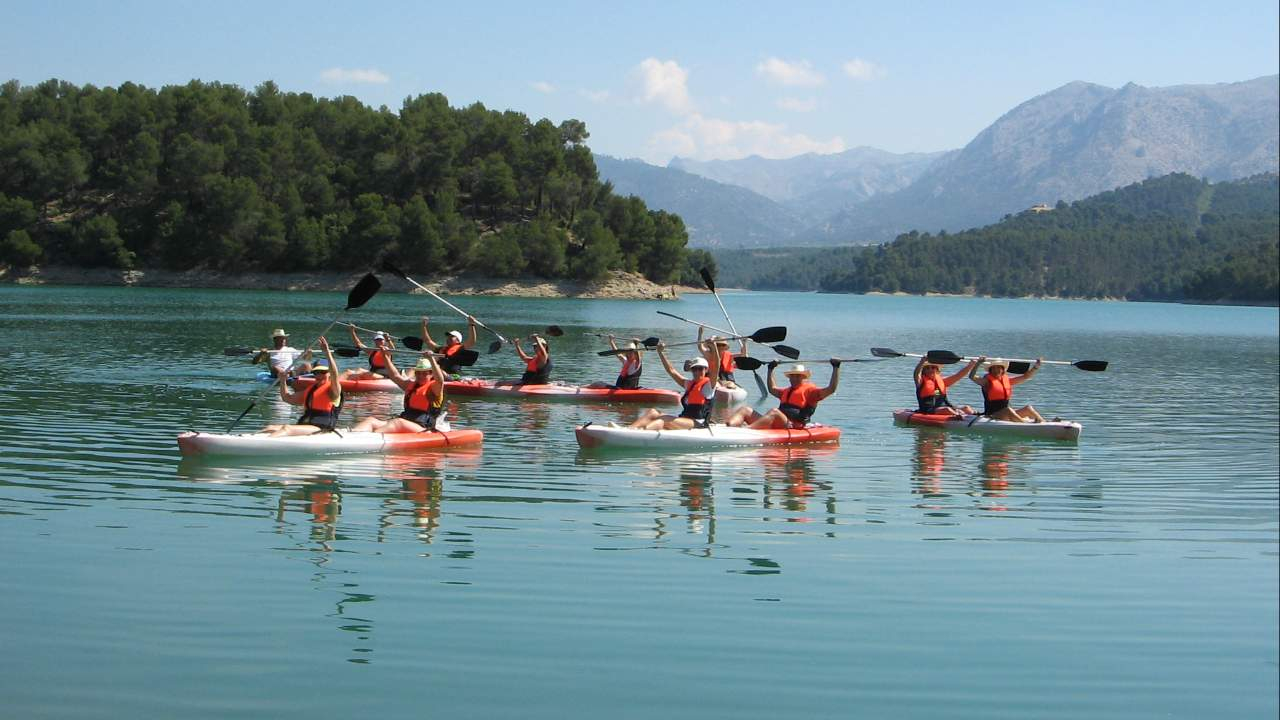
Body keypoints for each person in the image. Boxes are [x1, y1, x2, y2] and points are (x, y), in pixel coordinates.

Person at [626, 340, 720, 430]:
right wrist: (660, 352)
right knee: (652, 412)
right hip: (684, 420)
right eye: (694, 369)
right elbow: (671, 370)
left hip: (698, 422)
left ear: (706, 370)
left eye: (700, 369)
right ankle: (629, 429)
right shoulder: (689, 384)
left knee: (661, 421)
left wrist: (714, 346)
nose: (697, 371)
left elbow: (716, 368)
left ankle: (640, 433)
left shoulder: (709, 385)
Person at [259, 337, 342, 437]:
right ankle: (249, 442)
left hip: (323, 427)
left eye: (323, 372)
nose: (319, 375)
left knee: (287, 428)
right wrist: (282, 381)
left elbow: (334, 374)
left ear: (328, 373)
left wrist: (327, 353)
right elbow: (287, 398)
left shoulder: (333, 390)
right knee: (271, 427)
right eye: (316, 372)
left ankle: (262, 446)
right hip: (307, 425)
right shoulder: (311, 390)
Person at [726, 360, 840, 429]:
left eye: (797, 376)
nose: (794, 378)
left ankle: (747, 430)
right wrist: (770, 369)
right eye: (792, 376)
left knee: (775, 412)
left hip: (793, 425)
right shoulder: (786, 391)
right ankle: (729, 426)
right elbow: (772, 389)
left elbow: (831, 389)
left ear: (803, 377)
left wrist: (836, 368)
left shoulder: (811, 392)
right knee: (745, 410)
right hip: (777, 422)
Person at [351, 354, 447, 433]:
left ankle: (371, 438)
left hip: (424, 428)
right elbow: (395, 375)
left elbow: (440, 380)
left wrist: (431, 359)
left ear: (431, 374)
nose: (420, 376)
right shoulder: (410, 385)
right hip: (406, 423)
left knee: (398, 422)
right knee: (371, 421)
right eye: (418, 373)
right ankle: (352, 435)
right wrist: (385, 356)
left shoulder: (435, 388)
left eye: (424, 373)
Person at [968, 356, 1046, 423]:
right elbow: (972, 376)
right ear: (990, 370)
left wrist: (1036, 366)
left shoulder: (1007, 380)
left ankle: (1044, 423)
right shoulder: (986, 382)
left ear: (1003, 370)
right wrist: (978, 363)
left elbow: (1025, 376)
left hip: (1007, 413)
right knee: (1008, 410)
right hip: (992, 415)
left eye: (999, 368)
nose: (996, 370)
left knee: (1028, 408)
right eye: (994, 368)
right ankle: (1025, 425)